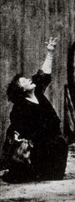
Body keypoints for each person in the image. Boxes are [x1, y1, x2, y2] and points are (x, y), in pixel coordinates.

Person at [1, 37, 68, 183]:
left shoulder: (37, 93)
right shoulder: (20, 108)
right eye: (23, 81)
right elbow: (17, 129)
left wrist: (50, 53)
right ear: (21, 90)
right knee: (46, 175)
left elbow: (43, 75)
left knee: (57, 172)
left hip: (56, 141)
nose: (28, 80)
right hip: (39, 146)